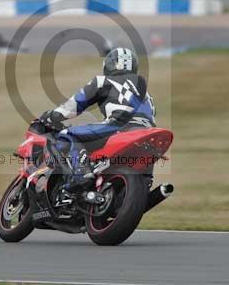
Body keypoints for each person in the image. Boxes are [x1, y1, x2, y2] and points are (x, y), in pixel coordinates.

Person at [39, 47, 156, 192]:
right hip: (147, 133)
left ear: (109, 64)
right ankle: (145, 183)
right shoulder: (146, 94)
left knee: (66, 135)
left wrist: (51, 116)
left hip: (118, 127)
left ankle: (81, 173)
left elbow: (74, 105)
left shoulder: (103, 81)